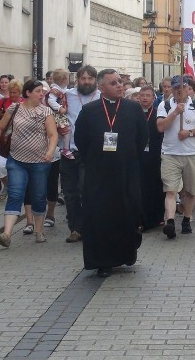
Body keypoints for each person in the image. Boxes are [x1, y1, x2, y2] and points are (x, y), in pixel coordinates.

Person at [74, 69, 147, 277]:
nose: (119, 86)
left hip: (126, 171)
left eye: (119, 82)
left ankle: (125, 254)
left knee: (126, 212)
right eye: (113, 83)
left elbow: (142, 138)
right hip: (99, 174)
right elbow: (81, 141)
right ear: (101, 87)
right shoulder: (89, 111)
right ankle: (102, 261)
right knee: (100, 216)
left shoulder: (133, 109)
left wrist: (128, 156)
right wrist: (96, 159)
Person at [0, 79, 58, 247]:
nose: (41, 94)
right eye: (38, 91)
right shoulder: (15, 108)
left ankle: (39, 231)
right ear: (28, 93)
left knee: (38, 195)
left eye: (42, 91)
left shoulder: (46, 111)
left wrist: (50, 152)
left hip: (40, 162)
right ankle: (6, 234)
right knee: (15, 194)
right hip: (17, 160)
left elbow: (53, 135)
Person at [156, 75, 195, 238]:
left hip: (192, 153)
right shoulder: (164, 105)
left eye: (182, 87)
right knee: (170, 190)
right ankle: (171, 221)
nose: (179, 90)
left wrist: (189, 133)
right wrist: (175, 113)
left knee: (191, 190)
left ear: (188, 89)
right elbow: (160, 127)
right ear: (172, 89)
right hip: (170, 154)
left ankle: (186, 218)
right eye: (175, 88)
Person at [57, 65, 100, 243]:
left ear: (95, 81)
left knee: (86, 189)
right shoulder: (66, 96)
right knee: (70, 192)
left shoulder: (100, 96)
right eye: (83, 78)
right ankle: (75, 228)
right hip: (69, 150)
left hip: (91, 152)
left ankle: (88, 225)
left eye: (90, 79)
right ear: (77, 80)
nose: (87, 82)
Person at [139, 85, 165, 230]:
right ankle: (143, 219)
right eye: (142, 95)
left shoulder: (158, 113)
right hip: (139, 154)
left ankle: (157, 216)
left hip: (155, 153)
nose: (144, 98)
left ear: (153, 98)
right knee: (142, 187)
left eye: (148, 95)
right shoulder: (134, 112)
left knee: (155, 185)